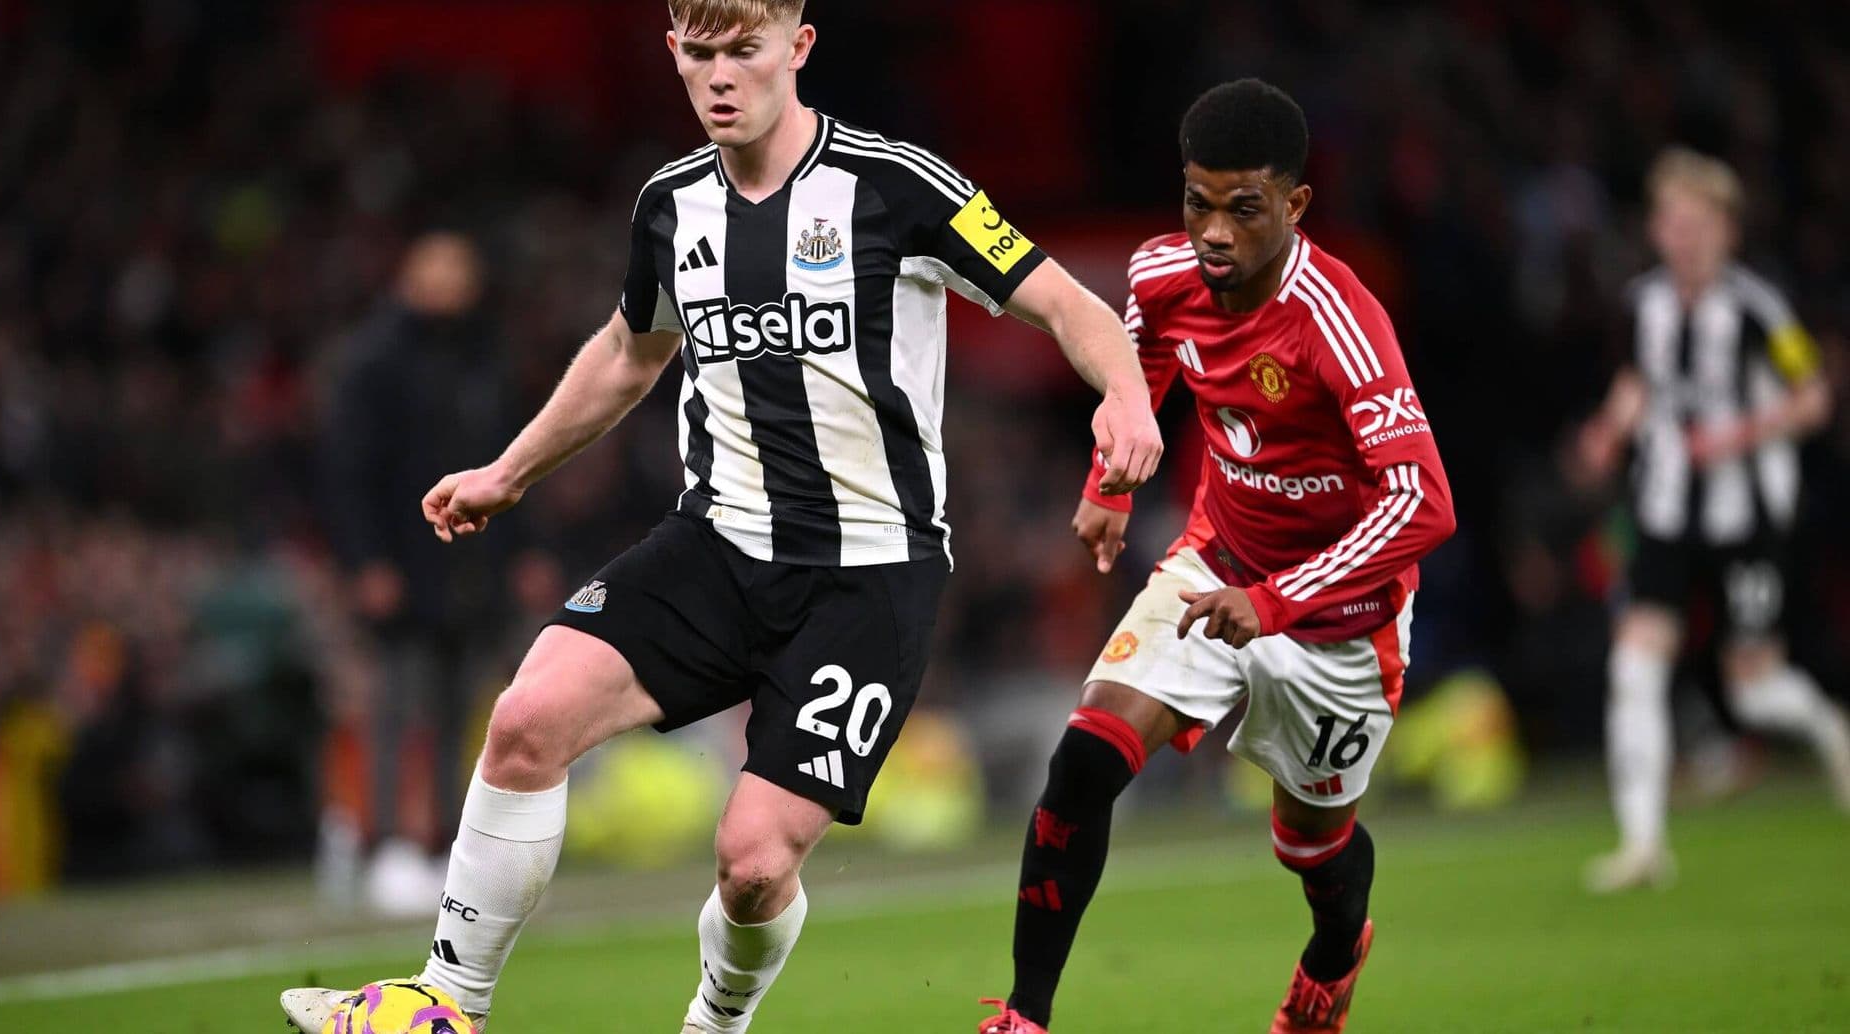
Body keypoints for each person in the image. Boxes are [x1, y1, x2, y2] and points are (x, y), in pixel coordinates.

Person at [282, 2, 1164, 1031]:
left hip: (867, 577)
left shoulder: (894, 184)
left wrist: (1126, 394)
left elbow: (1065, 301)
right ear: (672, 54)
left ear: (798, 47)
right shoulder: (670, 203)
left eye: (743, 50)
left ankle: (717, 1018)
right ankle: (445, 1002)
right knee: (524, 720)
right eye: (698, 55)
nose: (719, 77)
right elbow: (629, 352)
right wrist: (508, 471)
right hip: (716, 543)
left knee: (750, 864)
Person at [977, 79, 1456, 1034]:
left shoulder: (1341, 323)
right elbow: (1141, 354)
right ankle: (1026, 1017)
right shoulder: (1162, 274)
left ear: (1294, 204)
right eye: (1199, 203)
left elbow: (1424, 503)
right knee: (1081, 766)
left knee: (1311, 846)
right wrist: (1113, 480)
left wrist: (1278, 603)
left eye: (1244, 209)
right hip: (1214, 563)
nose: (1216, 233)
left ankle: (1333, 956)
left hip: (1340, 624)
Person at [1574, 147, 1849, 894]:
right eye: (1671, 221)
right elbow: (1639, 381)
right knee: (1635, 662)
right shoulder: (1644, 304)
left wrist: (1737, 437)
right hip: (1665, 511)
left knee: (1754, 686)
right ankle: (1642, 844)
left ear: (1726, 229)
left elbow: (1815, 398)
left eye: (1697, 222)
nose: (1683, 236)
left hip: (1747, 519)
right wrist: (1608, 430)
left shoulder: (1760, 308)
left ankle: (1831, 730)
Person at [322, 232, 521, 913]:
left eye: (458, 268)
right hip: (404, 565)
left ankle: (442, 850)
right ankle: (382, 846)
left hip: (473, 568)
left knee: (462, 714)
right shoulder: (375, 359)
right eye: (434, 268)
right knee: (394, 713)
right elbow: (349, 470)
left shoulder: (487, 357)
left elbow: (516, 461)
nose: (447, 281)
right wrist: (366, 559)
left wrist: (523, 552)